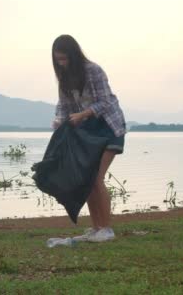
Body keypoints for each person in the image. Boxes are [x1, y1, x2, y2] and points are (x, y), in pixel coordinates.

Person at [51, 34, 127, 243]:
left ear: (74, 55)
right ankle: (96, 228)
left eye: (65, 59)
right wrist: (59, 121)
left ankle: (107, 229)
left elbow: (105, 101)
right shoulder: (64, 78)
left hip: (110, 128)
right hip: (89, 133)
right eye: (58, 60)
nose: (62, 63)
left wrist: (83, 114)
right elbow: (63, 106)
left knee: (96, 178)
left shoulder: (93, 70)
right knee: (88, 179)